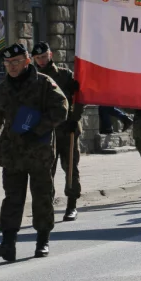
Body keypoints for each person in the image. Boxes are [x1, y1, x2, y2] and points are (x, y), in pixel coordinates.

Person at [0, 44, 68, 262]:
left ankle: (42, 240)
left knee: (42, 196)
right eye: (8, 63)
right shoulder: (3, 89)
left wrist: (38, 130)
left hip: (40, 153)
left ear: (27, 61)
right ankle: (8, 244)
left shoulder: (44, 84)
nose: (12, 67)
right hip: (12, 154)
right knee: (12, 199)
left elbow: (62, 109)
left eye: (16, 62)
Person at [32, 42, 84, 222]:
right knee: (46, 171)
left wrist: (75, 119)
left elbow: (80, 99)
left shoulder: (65, 75)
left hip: (67, 129)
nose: (41, 60)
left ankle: (71, 205)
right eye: (37, 58)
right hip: (45, 131)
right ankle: (48, 207)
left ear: (50, 55)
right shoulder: (33, 78)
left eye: (44, 56)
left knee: (70, 167)